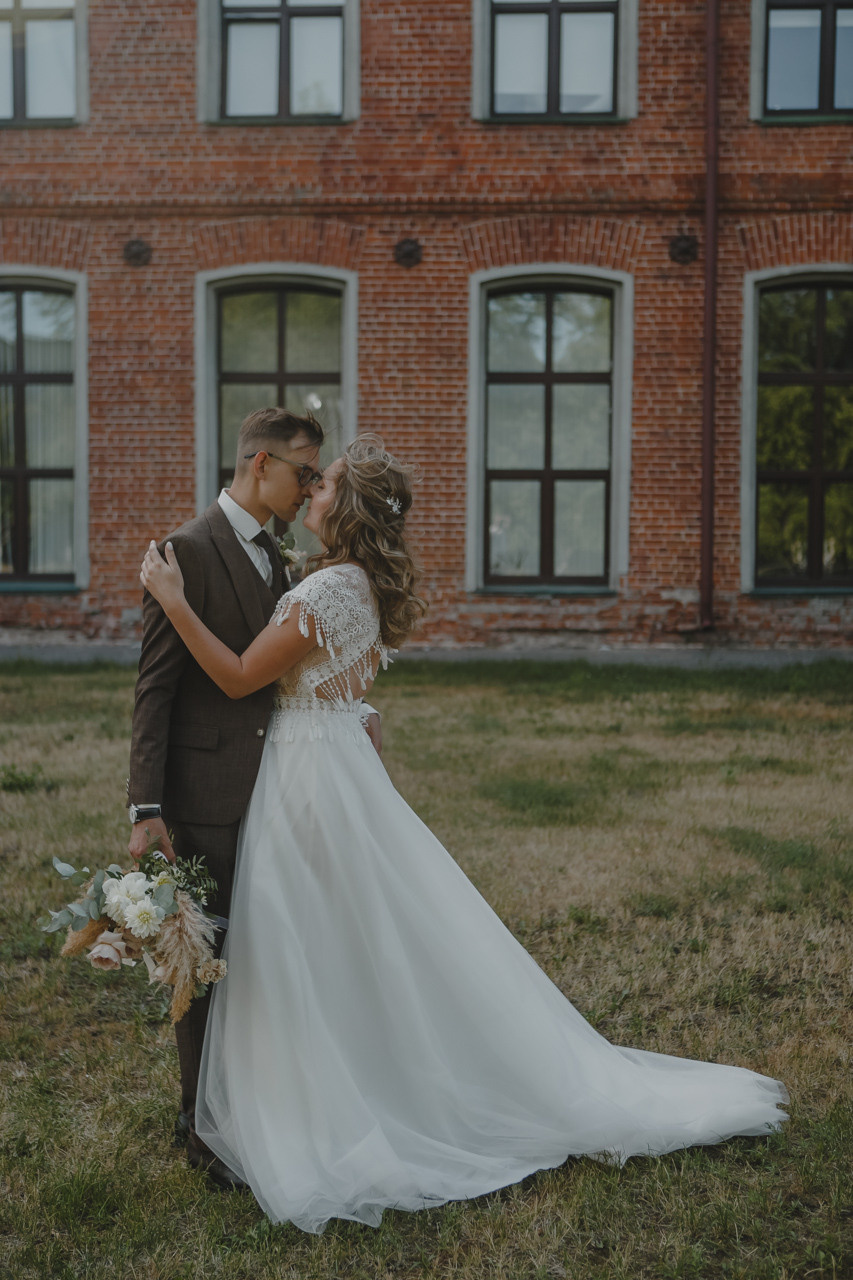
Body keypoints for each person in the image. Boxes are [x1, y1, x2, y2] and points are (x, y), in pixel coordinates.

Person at [139, 434, 788, 1235]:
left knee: (304, 945)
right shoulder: (346, 583)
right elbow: (328, 683)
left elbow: (241, 676)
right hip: (322, 765)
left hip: (308, 783)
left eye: (324, 483)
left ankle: (336, 1105)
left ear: (345, 507)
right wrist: (355, 711)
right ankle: (348, 1083)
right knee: (337, 944)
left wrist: (173, 600)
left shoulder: (328, 588)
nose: (308, 490)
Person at [127, 406, 380, 1188]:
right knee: (200, 967)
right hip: (203, 792)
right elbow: (155, 691)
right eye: (305, 471)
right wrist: (145, 810)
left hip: (280, 788)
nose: (311, 485)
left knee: (264, 962)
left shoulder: (287, 557)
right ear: (261, 464)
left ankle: (255, 1107)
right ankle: (197, 1124)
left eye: (319, 479)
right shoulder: (186, 551)